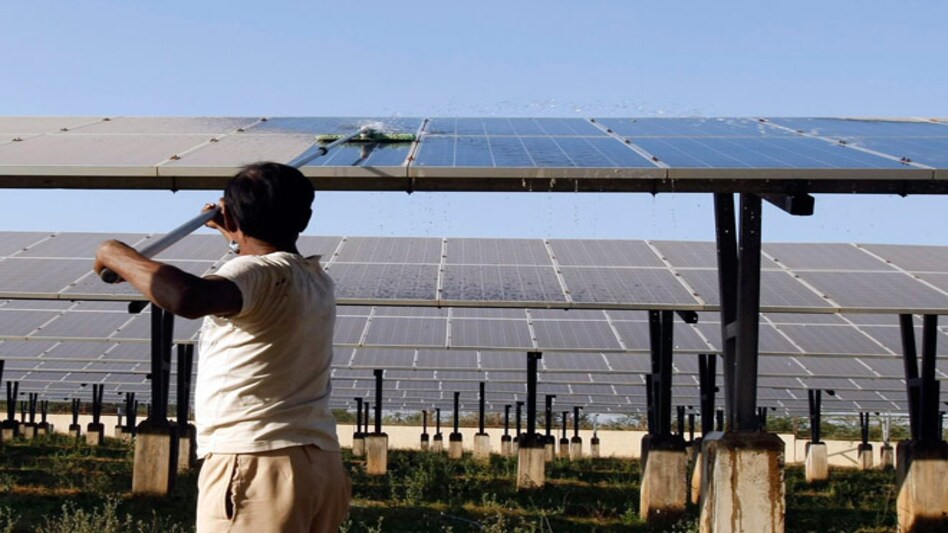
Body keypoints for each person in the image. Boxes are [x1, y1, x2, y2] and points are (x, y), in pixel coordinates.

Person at [94, 162, 351, 533]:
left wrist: (115, 253)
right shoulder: (314, 279)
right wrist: (235, 236)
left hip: (255, 461)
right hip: (319, 463)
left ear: (229, 213)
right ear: (306, 218)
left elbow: (188, 297)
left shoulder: (256, 275)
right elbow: (258, 268)